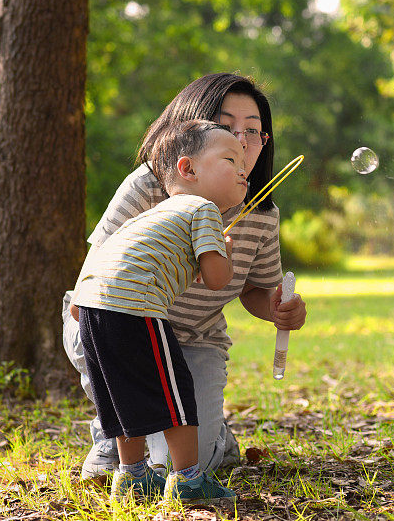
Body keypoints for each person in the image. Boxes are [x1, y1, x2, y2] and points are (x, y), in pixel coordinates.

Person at [62, 73, 307, 482]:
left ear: (265, 143)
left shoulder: (262, 214)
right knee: (156, 447)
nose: (242, 140)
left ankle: (209, 437)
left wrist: (279, 309)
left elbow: (255, 289)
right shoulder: (149, 186)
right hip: (113, 323)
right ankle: (114, 430)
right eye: (227, 126)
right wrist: (87, 319)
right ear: (192, 137)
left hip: (192, 339)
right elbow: (99, 262)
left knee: (189, 461)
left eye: (253, 131)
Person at [71, 120, 246, 503]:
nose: (242, 169)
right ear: (188, 169)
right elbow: (217, 279)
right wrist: (225, 254)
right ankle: (188, 480)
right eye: (231, 159)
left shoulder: (158, 213)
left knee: (122, 394)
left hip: (90, 304)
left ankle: (131, 475)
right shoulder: (203, 209)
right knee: (176, 394)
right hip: (135, 308)